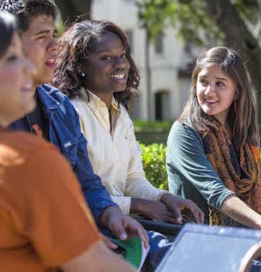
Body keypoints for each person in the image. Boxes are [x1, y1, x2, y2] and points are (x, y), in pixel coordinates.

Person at [0, 8, 147, 272]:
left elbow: (88, 182)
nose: (26, 66)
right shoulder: (24, 159)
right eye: (12, 57)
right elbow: (97, 269)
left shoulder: (57, 107)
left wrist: (108, 211)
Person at [53, 19, 204, 226]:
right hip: (89, 228)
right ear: (80, 66)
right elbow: (77, 192)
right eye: (106, 58)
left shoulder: (121, 114)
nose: (121, 64)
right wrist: (138, 205)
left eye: (122, 55)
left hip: (126, 222)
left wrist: (163, 198)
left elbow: (133, 178)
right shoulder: (71, 112)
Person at [166, 46, 261, 245]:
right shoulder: (184, 133)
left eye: (220, 84)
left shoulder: (245, 135)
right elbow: (217, 194)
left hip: (247, 239)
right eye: (203, 82)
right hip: (200, 243)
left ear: (237, 91)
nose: (209, 91)